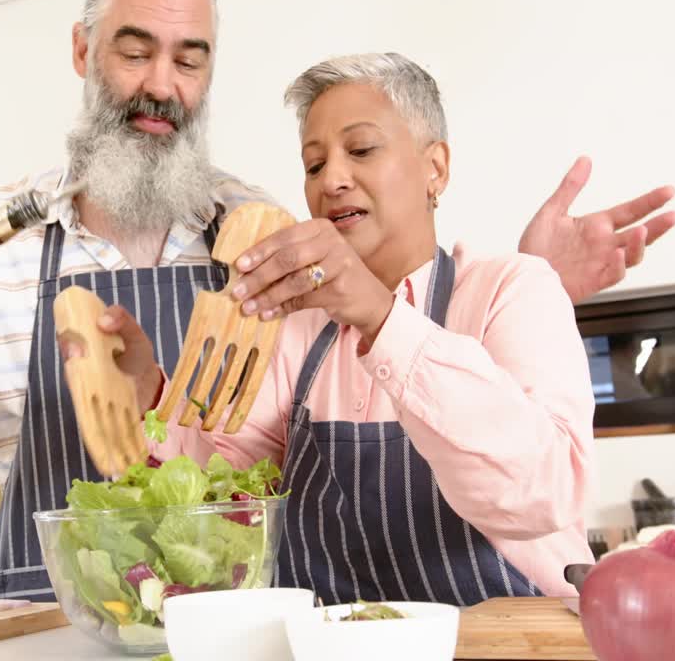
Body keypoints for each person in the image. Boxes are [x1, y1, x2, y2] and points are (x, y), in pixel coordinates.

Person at [0, 0, 675, 603]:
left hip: (226, 628)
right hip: (45, 622)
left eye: (190, 59)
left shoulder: (266, 238)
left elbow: (399, 296)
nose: (162, 84)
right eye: (134, 50)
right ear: (81, 50)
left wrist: (526, 280)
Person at [111, 52, 595, 604]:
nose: (333, 180)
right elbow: (228, 497)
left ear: (435, 168)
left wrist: (381, 318)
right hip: (336, 639)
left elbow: (543, 495)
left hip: (508, 637)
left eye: (361, 150)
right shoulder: (295, 330)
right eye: (314, 165)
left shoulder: (510, 290)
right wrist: (148, 393)